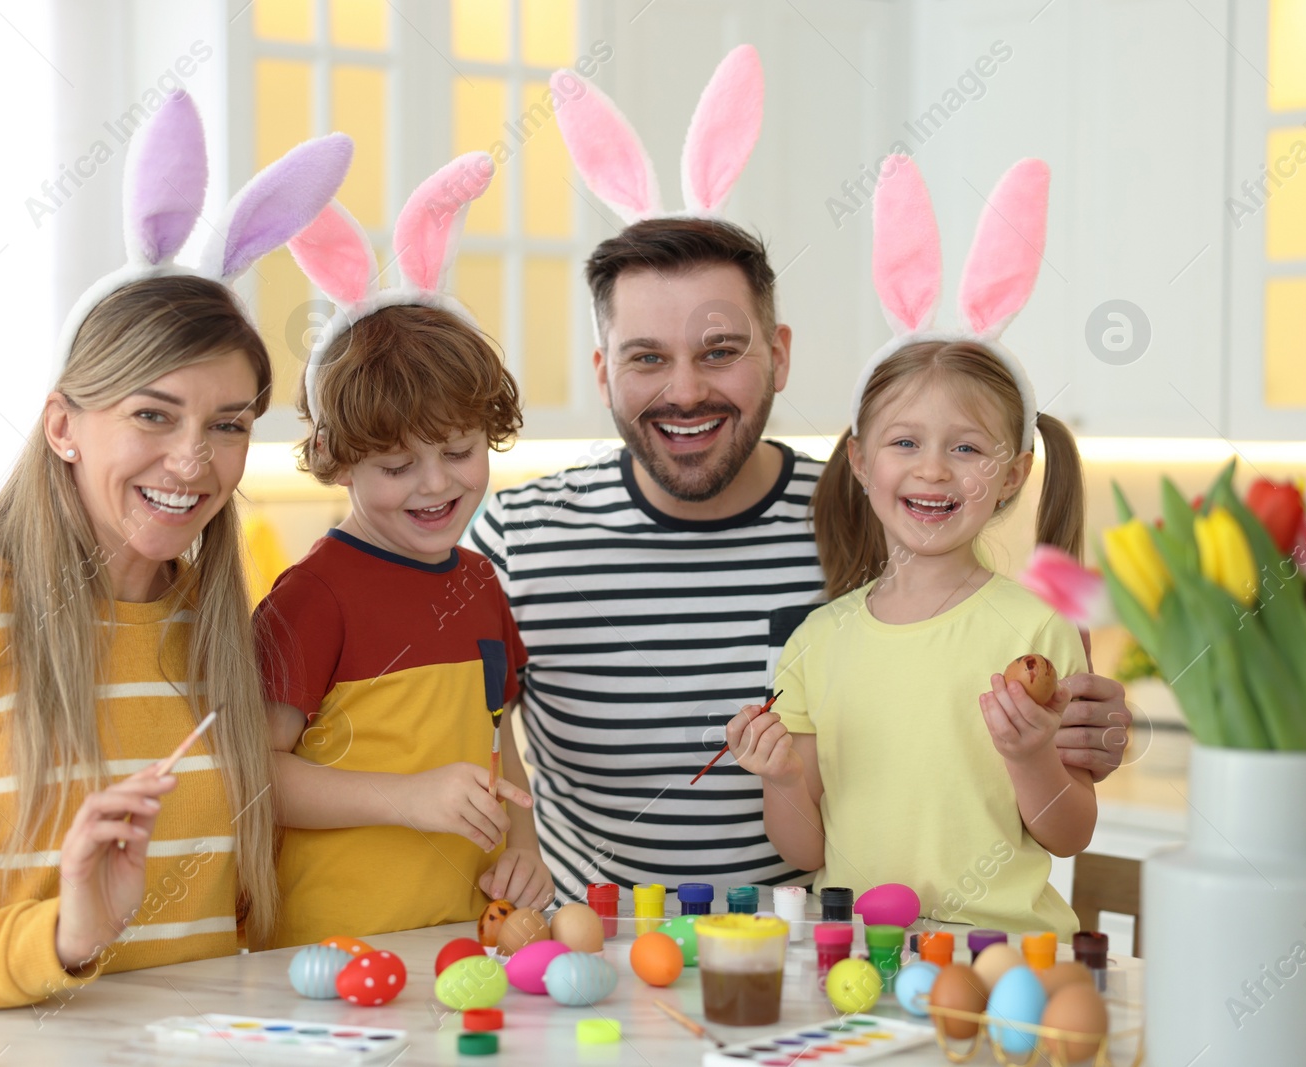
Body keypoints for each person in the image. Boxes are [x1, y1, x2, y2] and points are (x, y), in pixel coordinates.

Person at [467, 61, 1130, 901]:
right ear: (603, 370)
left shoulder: (869, 519)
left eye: (720, 351)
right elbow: (444, 727)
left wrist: (1081, 733)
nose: (684, 391)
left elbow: (999, 723)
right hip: (598, 960)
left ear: (778, 352)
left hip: (813, 967)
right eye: (647, 358)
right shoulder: (516, 540)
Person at [0, 92, 350, 1008]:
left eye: (227, 424)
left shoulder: (217, 628)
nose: (193, 460)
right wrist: (61, 934)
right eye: (152, 413)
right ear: (64, 423)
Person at [727, 156, 1092, 936]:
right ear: (859, 460)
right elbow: (804, 847)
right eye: (904, 441)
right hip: (865, 965)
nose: (932, 469)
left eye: (967, 448)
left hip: (1006, 961)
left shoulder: (1039, 633)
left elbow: (1069, 832)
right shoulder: (817, 643)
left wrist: (1031, 758)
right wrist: (784, 777)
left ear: (1012, 475)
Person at [255, 154, 555, 949]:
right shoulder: (311, 597)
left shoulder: (482, 580)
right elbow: (256, 778)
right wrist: (407, 797)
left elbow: (496, 740)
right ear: (335, 458)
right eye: (395, 465)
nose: (434, 486)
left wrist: (523, 846)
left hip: (463, 938)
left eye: (459, 450)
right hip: (333, 950)